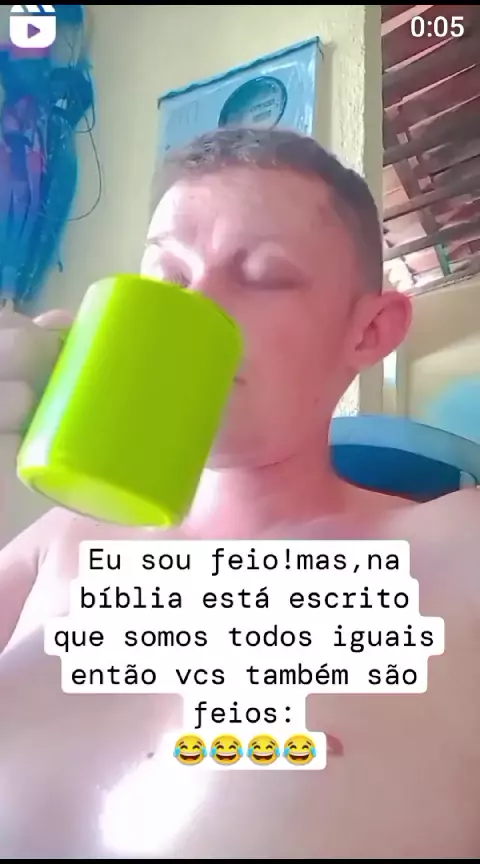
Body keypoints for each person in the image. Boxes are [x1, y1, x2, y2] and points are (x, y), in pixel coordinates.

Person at [0, 128, 478, 859]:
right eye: (167, 277)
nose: (195, 307)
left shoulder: (458, 546)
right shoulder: (55, 542)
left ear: (369, 330)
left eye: (263, 275)